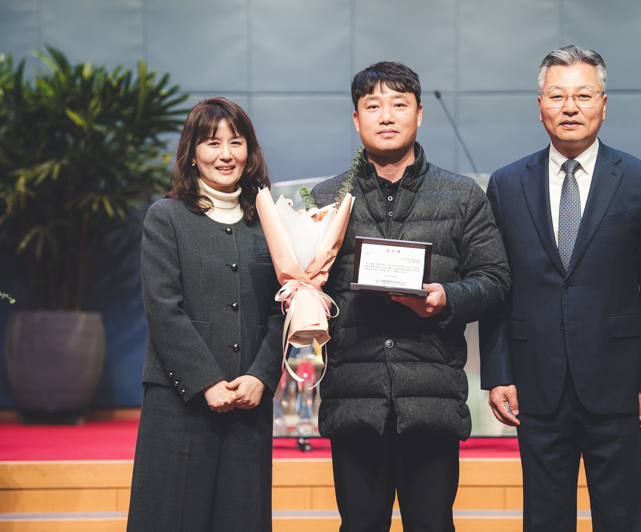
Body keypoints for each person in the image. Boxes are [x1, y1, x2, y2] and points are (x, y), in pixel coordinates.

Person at [480, 45, 641, 532]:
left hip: (619, 383)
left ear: (603, 105)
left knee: (622, 518)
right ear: (540, 106)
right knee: (544, 519)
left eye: (583, 95)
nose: (570, 107)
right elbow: (497, 288)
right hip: (535, 382)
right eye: (557, 96)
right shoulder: (506, 184)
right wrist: (497, 372)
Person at [311, 61, 511, 532]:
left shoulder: (461, 196)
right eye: (373, 106)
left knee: (433, 524)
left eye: (399, 104)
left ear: (419, 114)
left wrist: (448, 298)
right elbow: (305, 283)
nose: (386, 116)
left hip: (431, 398)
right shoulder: (324, 200)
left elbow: (496, 278)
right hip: (354, 398)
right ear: (356, 118)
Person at [127, 97, 283, 532]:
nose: (226, 154)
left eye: (236, 142)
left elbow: (283, 309)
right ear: (192, 152)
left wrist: (262, 376)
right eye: (213, 143)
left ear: (250, 150)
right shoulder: (166, 217)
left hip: (249, 402)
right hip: (180, 403)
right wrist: (206, 382)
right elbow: (163, 308)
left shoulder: (270, 221)